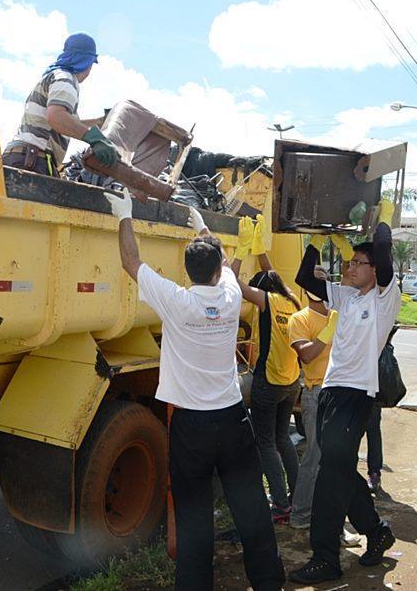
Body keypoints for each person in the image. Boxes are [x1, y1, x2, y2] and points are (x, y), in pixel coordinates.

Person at [102, 191, 285, 590]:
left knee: (193, 516)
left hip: (191, 429)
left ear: (187, 272)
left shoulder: (177, 301)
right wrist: (200, 223)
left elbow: (130, 262)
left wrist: (125, 215)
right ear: (218, 271)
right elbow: (224, 263)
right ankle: (269, 582)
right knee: (251, 506)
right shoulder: (231, 295)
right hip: (234, 422)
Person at [288, 200, 401, 585]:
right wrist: (317, 241)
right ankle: (377, 530)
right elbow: (306, 278)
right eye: (349, 262)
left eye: (357, 263)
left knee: (329, 476)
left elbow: (384, 255)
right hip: (331, 391)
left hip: (356, 395)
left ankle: (325, 557)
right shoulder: (347, 296)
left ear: (374, 271)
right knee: (337, 467)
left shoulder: (384, 297)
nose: (350, 267)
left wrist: (381, 222)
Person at [230, 216, 301, 523]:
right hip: (292, 382)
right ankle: (299, 497)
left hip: (269, 382)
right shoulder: (292, 301)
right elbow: (274, 276)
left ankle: (281, 507)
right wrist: (261, 250)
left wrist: (242, 249)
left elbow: (232, 283)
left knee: (266, 443)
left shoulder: (267, 301)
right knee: (283, 438)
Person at [2, 33, 119, 176]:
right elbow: (57, 117)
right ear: (87, 62)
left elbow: (62, 122)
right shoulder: (66, 79)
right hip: (34, 161)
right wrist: (94, 139)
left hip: (21, 157)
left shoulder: (54, 77)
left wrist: (99, 122)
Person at [287, 266, 338, 530]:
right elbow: (306, 355)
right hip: (316, 393)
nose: (320, 286)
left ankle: (327, 514)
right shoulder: (300, 319)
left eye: (324, 281)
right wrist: (328, 332)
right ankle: (300, 514)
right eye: (315, 281)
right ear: (307, 288)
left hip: (339, 392)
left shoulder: (338, 314)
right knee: (314, 456)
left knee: (335, 458)